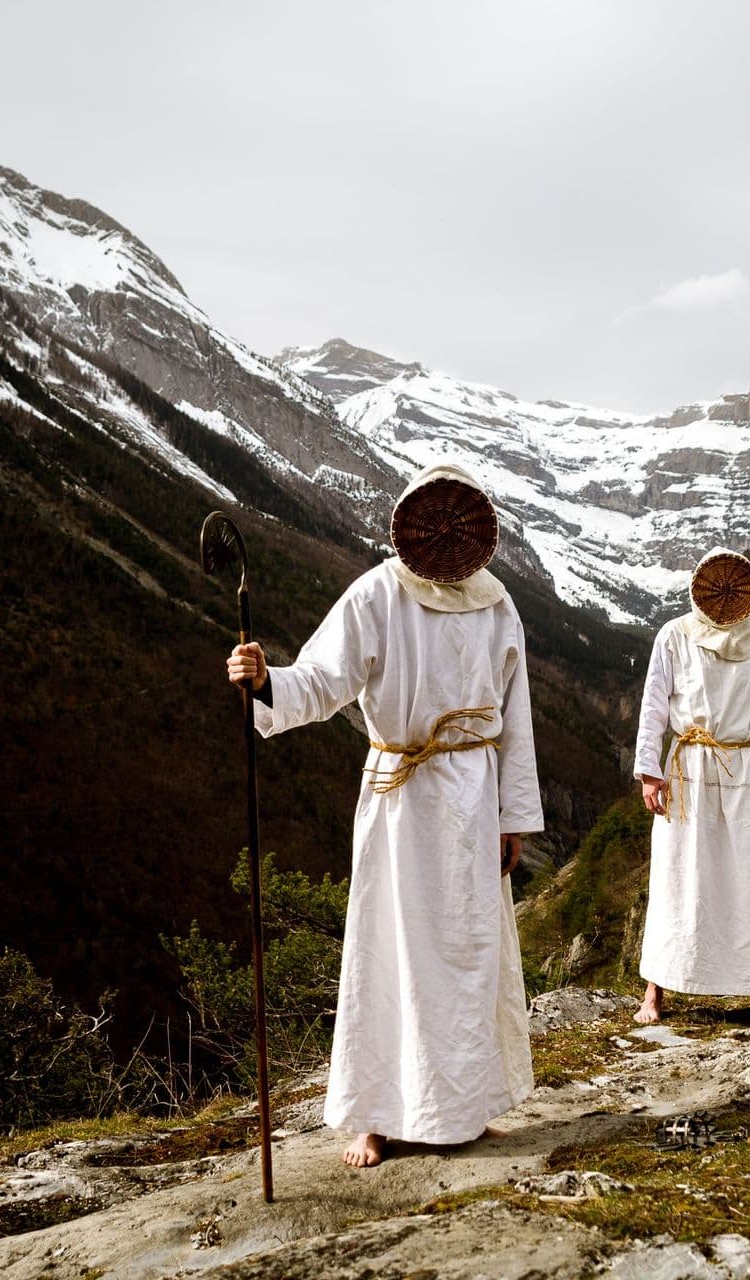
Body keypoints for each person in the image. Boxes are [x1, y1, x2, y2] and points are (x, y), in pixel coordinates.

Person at [224, 463, 542, 1168]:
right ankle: (373, 1115)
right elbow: (323, 679)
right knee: (390, 951)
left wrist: (509, 818)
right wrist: (266, 679)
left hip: (472, 793)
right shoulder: (376, 594)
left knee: (469, 955)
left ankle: (467, 1103)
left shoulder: (496, 604)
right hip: (402, 793)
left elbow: (515, 718)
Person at [632, 548, 750, 1026]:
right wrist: (650, 771)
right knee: (678, 875)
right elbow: (654, 706)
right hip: (689, 767)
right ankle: (656, 990)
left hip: (743, 765)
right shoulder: (675, 635)